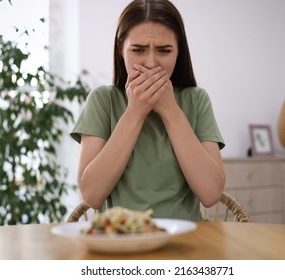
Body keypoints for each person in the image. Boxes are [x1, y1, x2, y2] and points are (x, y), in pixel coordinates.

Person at [71, 0, 225, 220]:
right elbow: (92, 195)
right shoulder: (103, 100)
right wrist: (135, 112)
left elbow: (211, 194)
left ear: (178, 52)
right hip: (121, 242)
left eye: (164, 51)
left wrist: (170, 110)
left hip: (186, 243)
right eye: (138, 50)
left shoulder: (196, 100)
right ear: (120, 49)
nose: (151, 63)